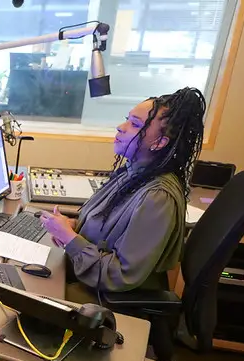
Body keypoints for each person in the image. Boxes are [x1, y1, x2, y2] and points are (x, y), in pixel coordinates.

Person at [40, 87, 206, 296]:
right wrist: (73, 228)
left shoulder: (158, 198)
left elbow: (119, 274)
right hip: (89, 280)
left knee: (31, 294)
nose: (120, 127)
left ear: (159, 142)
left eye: (135, 124)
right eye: (127, 119)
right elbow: (105, 232)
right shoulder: (132, 172)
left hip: (109, 298)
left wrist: (71, 239)